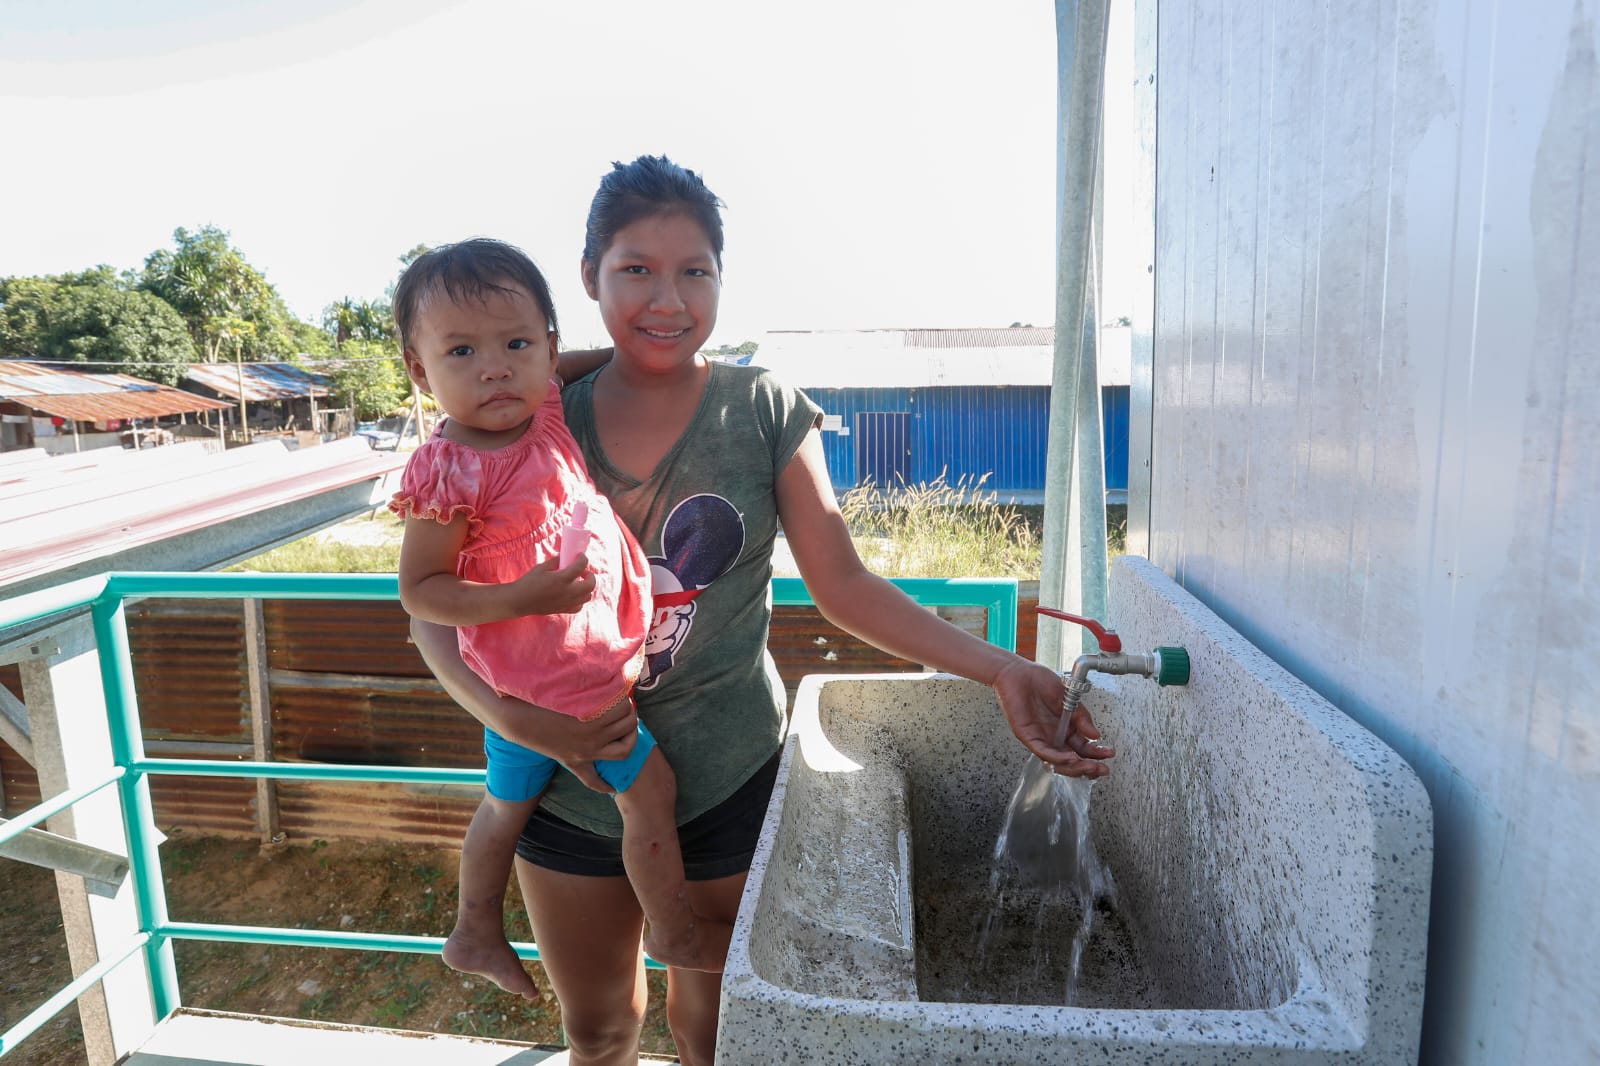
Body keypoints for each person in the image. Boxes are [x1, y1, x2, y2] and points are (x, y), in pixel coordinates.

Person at [410, 155, 1115, 1066]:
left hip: (728, 785)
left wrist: (1003, 668)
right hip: (561, 792)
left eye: (694, 271)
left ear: (720, 279)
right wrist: (520, 725)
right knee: (598, 1030)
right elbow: (432, 613)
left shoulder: (761, 407)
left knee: (713, 1034)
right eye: (636, 270)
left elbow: (845, 587)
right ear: (589, 279)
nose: (668, 298)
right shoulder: (529, 416)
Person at [388, 239, 733, 1003]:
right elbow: (421, 590)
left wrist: (610, 354)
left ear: (546, 345)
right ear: (420, 369)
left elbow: (584, 365)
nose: (494, 367)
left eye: (517, 343)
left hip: (520, 677)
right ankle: (672, 930)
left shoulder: (540, 405)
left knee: (505, 806)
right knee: (650, 791)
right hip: (563, 677)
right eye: (461, 351)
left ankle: (474, 927)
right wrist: (519, 599)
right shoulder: (451, 468)